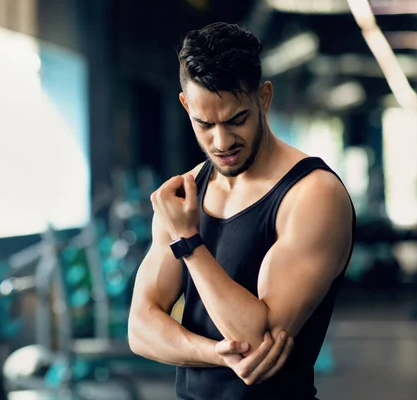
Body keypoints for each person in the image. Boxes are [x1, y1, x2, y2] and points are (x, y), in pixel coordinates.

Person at [128, 22, 355, 400]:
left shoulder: (313, 194)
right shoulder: (184, 193)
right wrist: (216, 355)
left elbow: (254, 340)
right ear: (186, 105)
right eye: (205, 124)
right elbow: (140, 328)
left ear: (263, 98)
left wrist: (189, 241)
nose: (221, 142)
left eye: (237, 120)